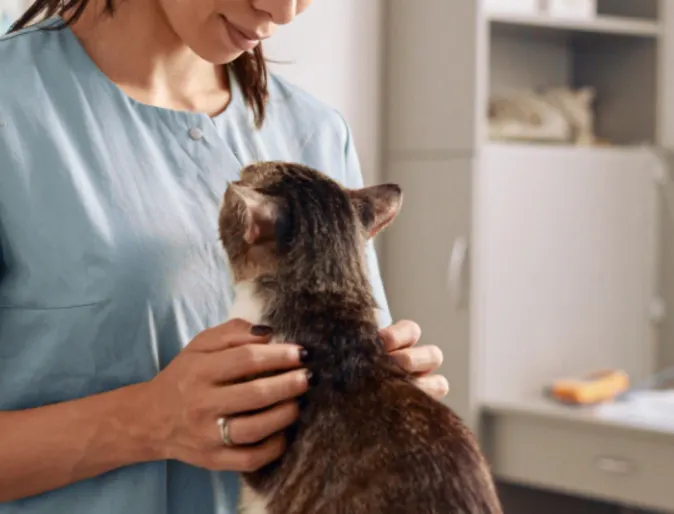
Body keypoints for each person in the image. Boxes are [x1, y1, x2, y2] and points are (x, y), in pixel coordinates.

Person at [0, 0, 450, 512]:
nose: (282, 12)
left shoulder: (317, 132)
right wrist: (146, 420)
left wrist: (386, 398)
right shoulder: (12, 109)